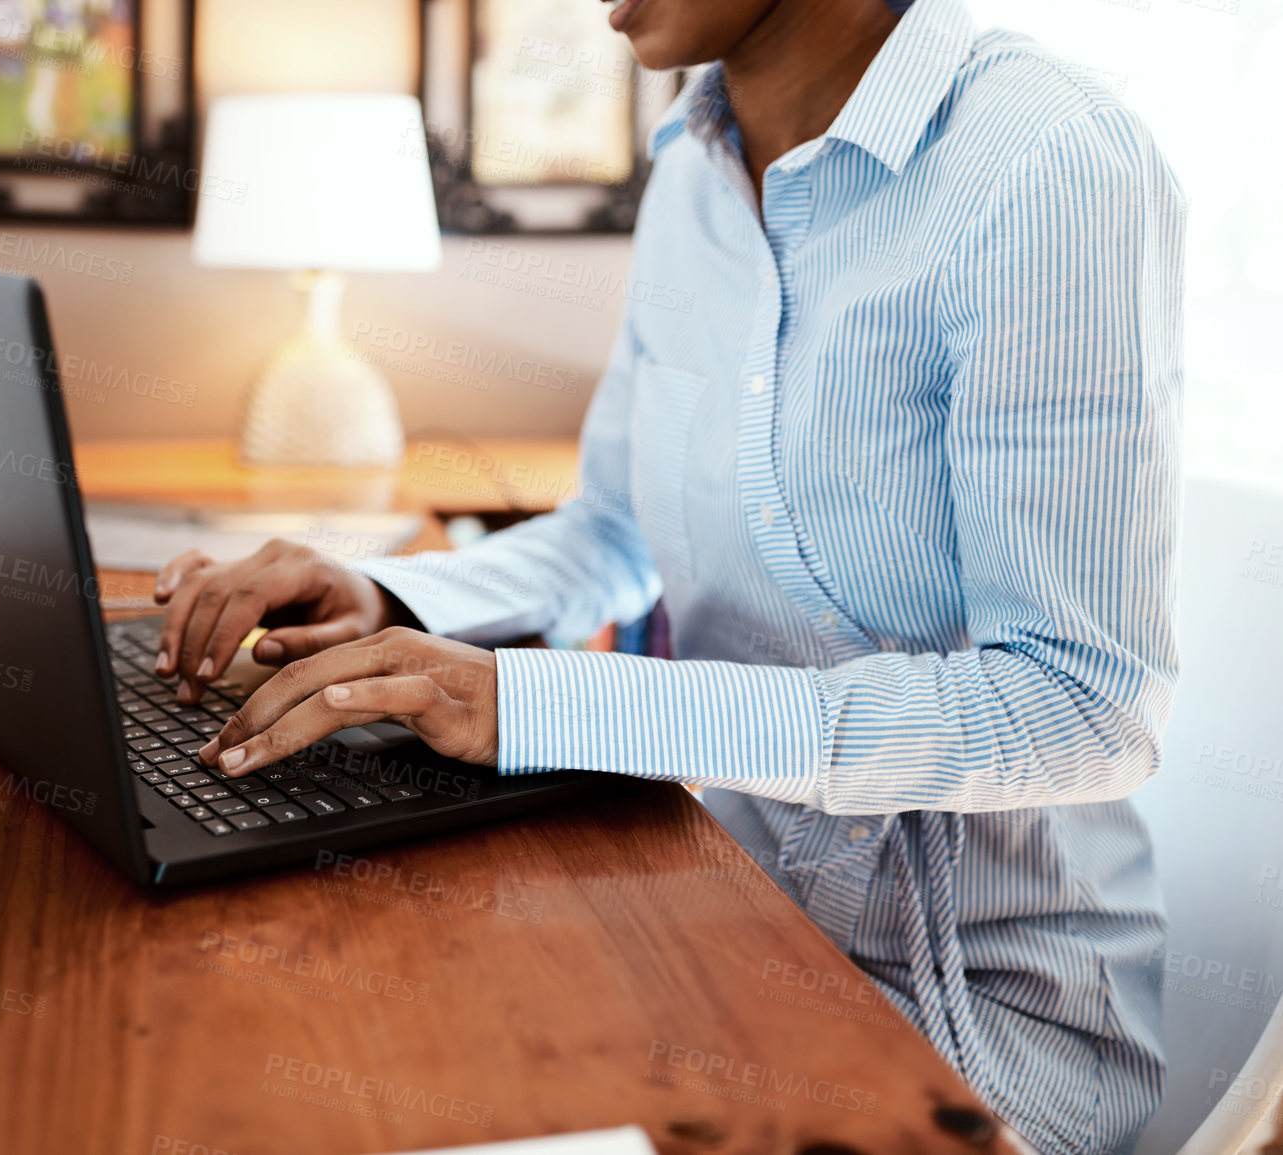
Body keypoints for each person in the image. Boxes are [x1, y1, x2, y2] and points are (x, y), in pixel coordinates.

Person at [158, 0, 1185, 1150]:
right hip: (724, 921)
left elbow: (1086, 709)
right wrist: (392, 599)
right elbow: (612, 532)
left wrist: (537, 702)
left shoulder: (1047, 163)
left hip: (970, 1027)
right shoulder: (694, 174)